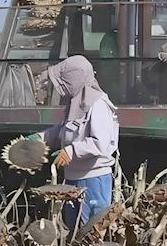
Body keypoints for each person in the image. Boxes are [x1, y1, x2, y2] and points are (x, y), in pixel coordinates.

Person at [35, 56, 119, 229]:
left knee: (91, 234)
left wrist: (72, 151)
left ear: (73, 79)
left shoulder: (98, 104)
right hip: (72, 179)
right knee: (73, 233)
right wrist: (41, 139)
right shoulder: (75, 104)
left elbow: (100, 143)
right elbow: (63, 130)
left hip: (93, 179)